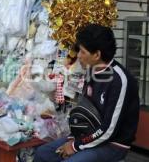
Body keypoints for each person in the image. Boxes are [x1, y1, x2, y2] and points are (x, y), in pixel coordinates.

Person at [34, 24, 140, 162]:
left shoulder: (120, 80)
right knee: (43, 153)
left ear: (97, 55)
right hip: (87, 136)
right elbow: (83, 111)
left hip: (113, 144)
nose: (78, 56)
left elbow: (109, 129)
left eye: (82, 52)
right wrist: (74, 138)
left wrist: (75, 146)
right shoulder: (91, 72)